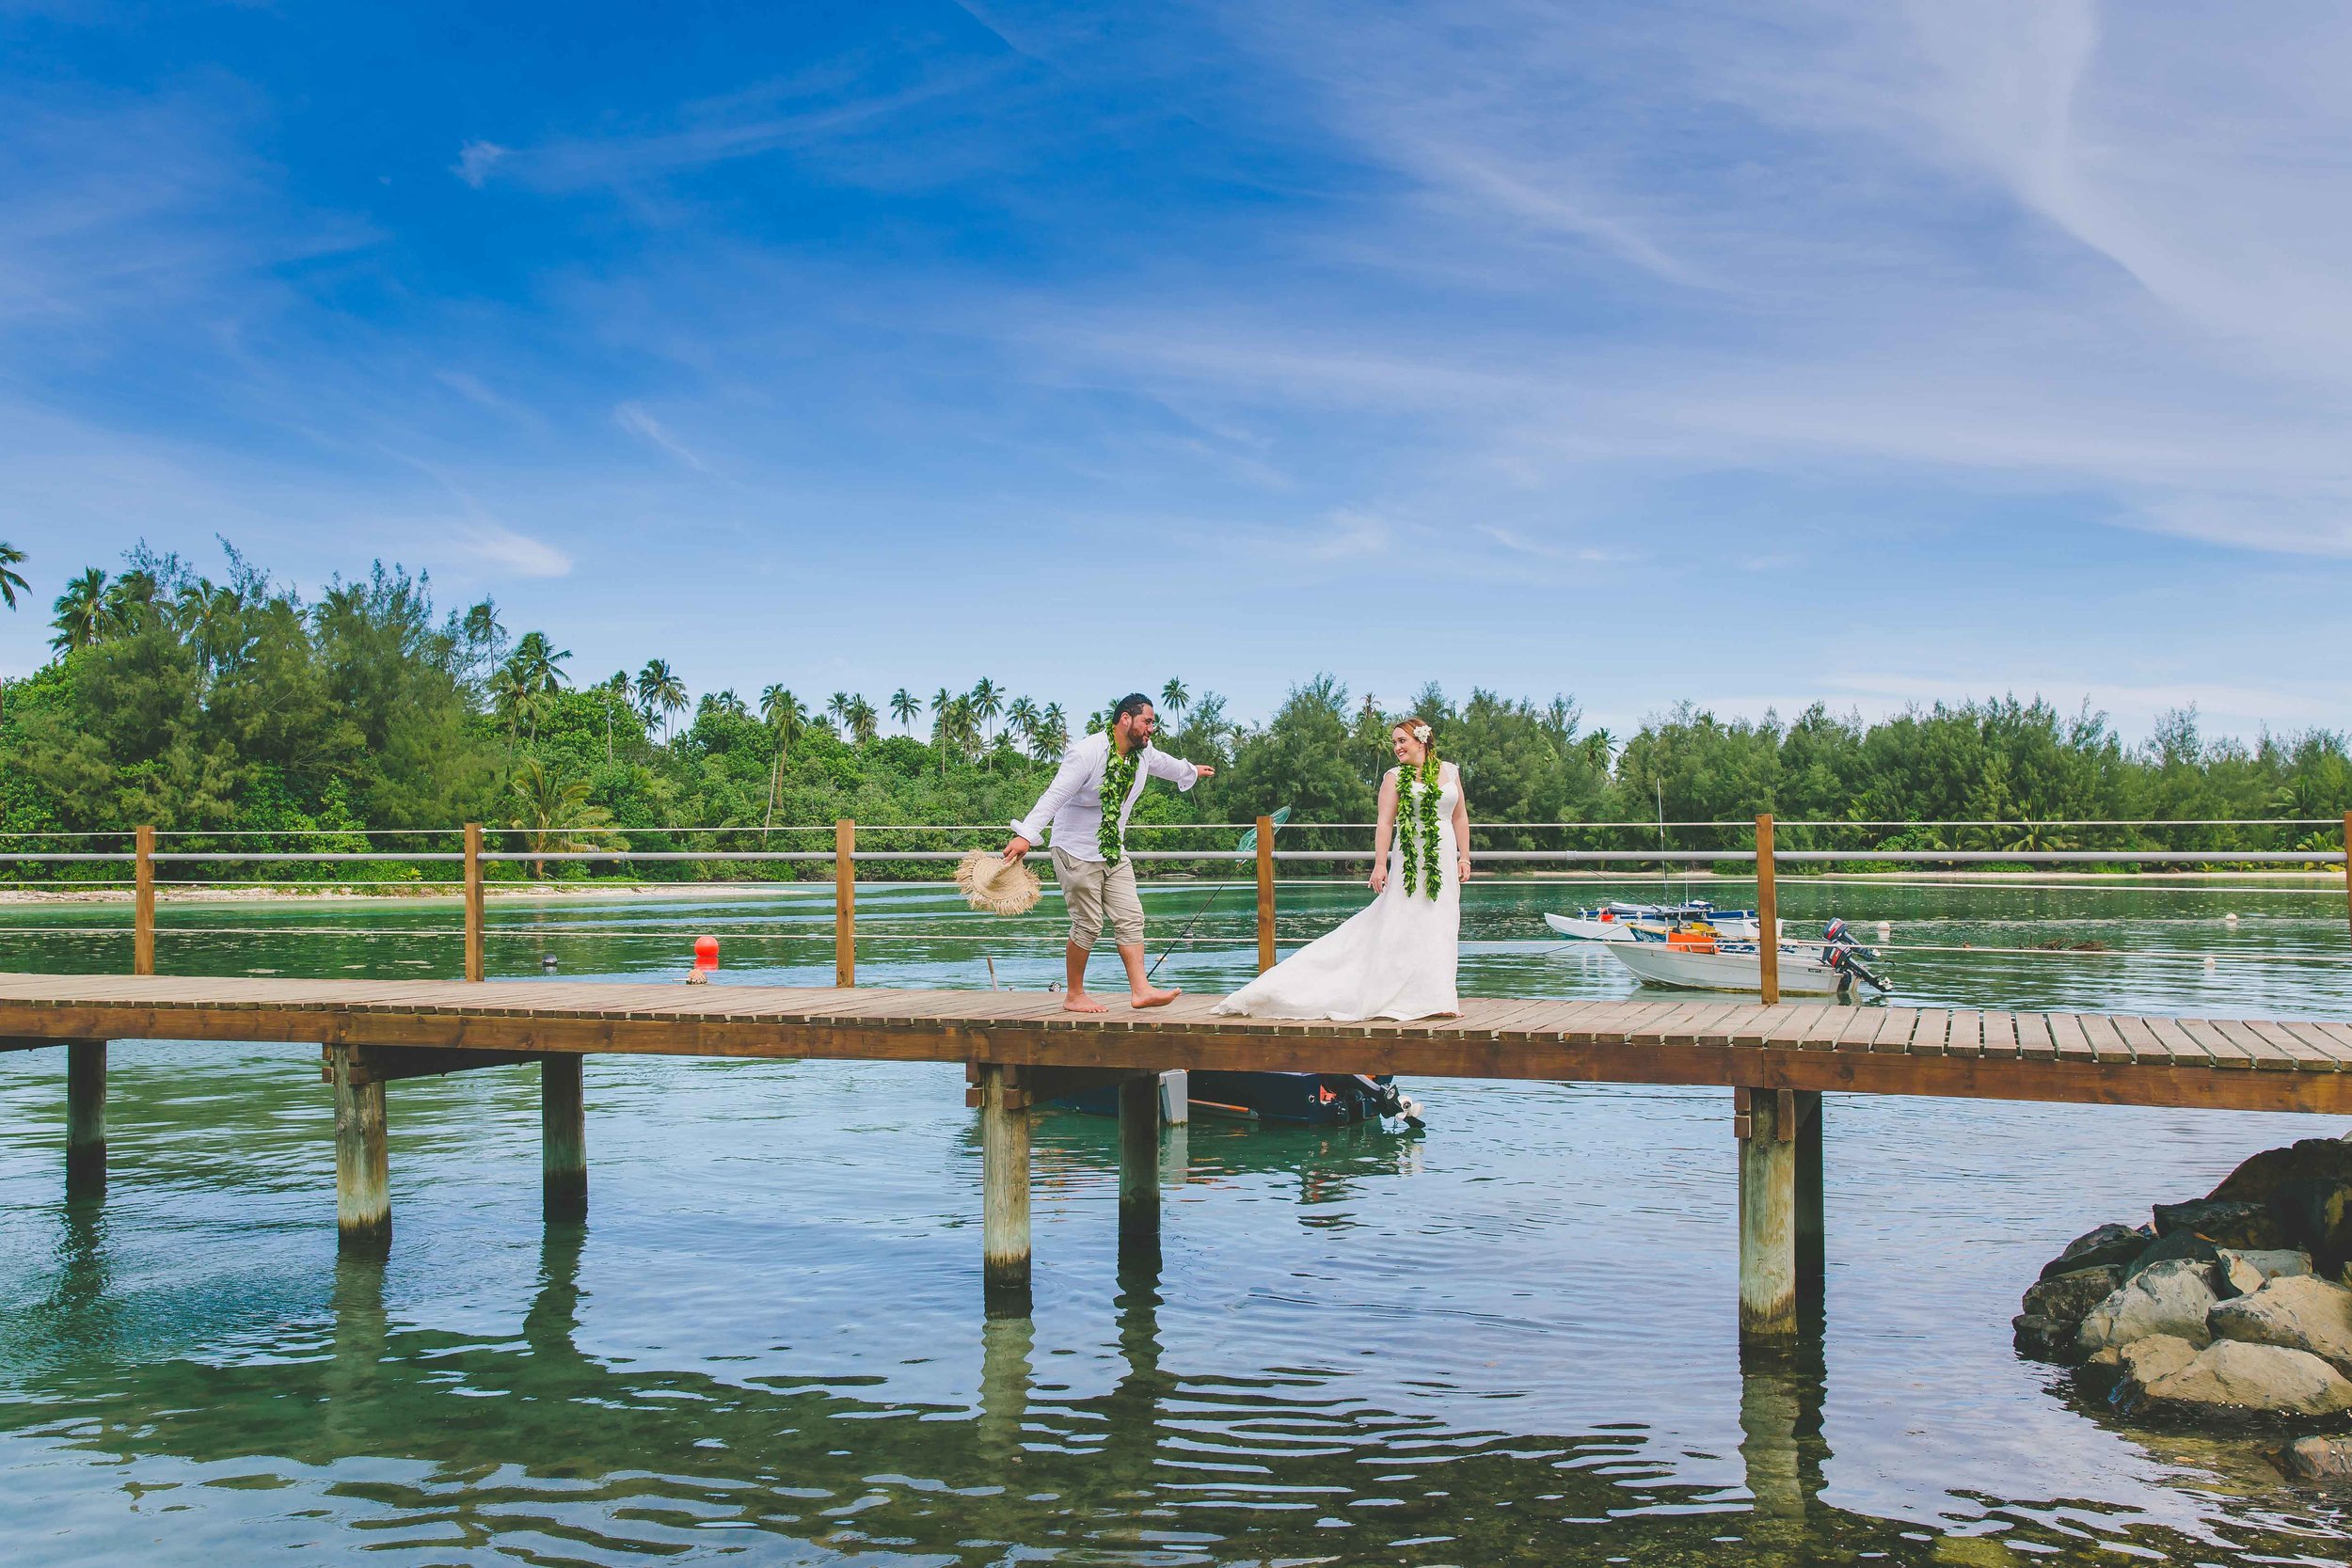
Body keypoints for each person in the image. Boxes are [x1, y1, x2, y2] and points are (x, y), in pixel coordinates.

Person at [1214, 716, 1467, 1021]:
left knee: (1440, 922)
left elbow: (1459, 817)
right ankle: (1399, 995)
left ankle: (1438, 998)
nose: (1397, 747)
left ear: (1421, 740)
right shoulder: (1393, 777)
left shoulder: (1450, 771)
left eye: (1402, 741)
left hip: (1442, 858)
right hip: (1410, 858)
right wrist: (1379, 864)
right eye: (1394, 742)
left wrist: (1463, 857)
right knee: (1403, 922)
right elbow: (1385, 823)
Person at [1004, 693, 1216, 1012]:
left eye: (1153, 723)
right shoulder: (1087, 753)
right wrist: (1026, 836)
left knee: (1131, 917)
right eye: (1147, 721)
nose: (1151, 728)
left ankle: (1141, 990)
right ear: (1126, 719)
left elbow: (1165, 764)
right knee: (1088, 924)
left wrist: (1191, 771)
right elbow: (1055, 795)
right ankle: (1074, 995)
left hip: (1113, 850)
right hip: (1074, 849)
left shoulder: (1142, 755)